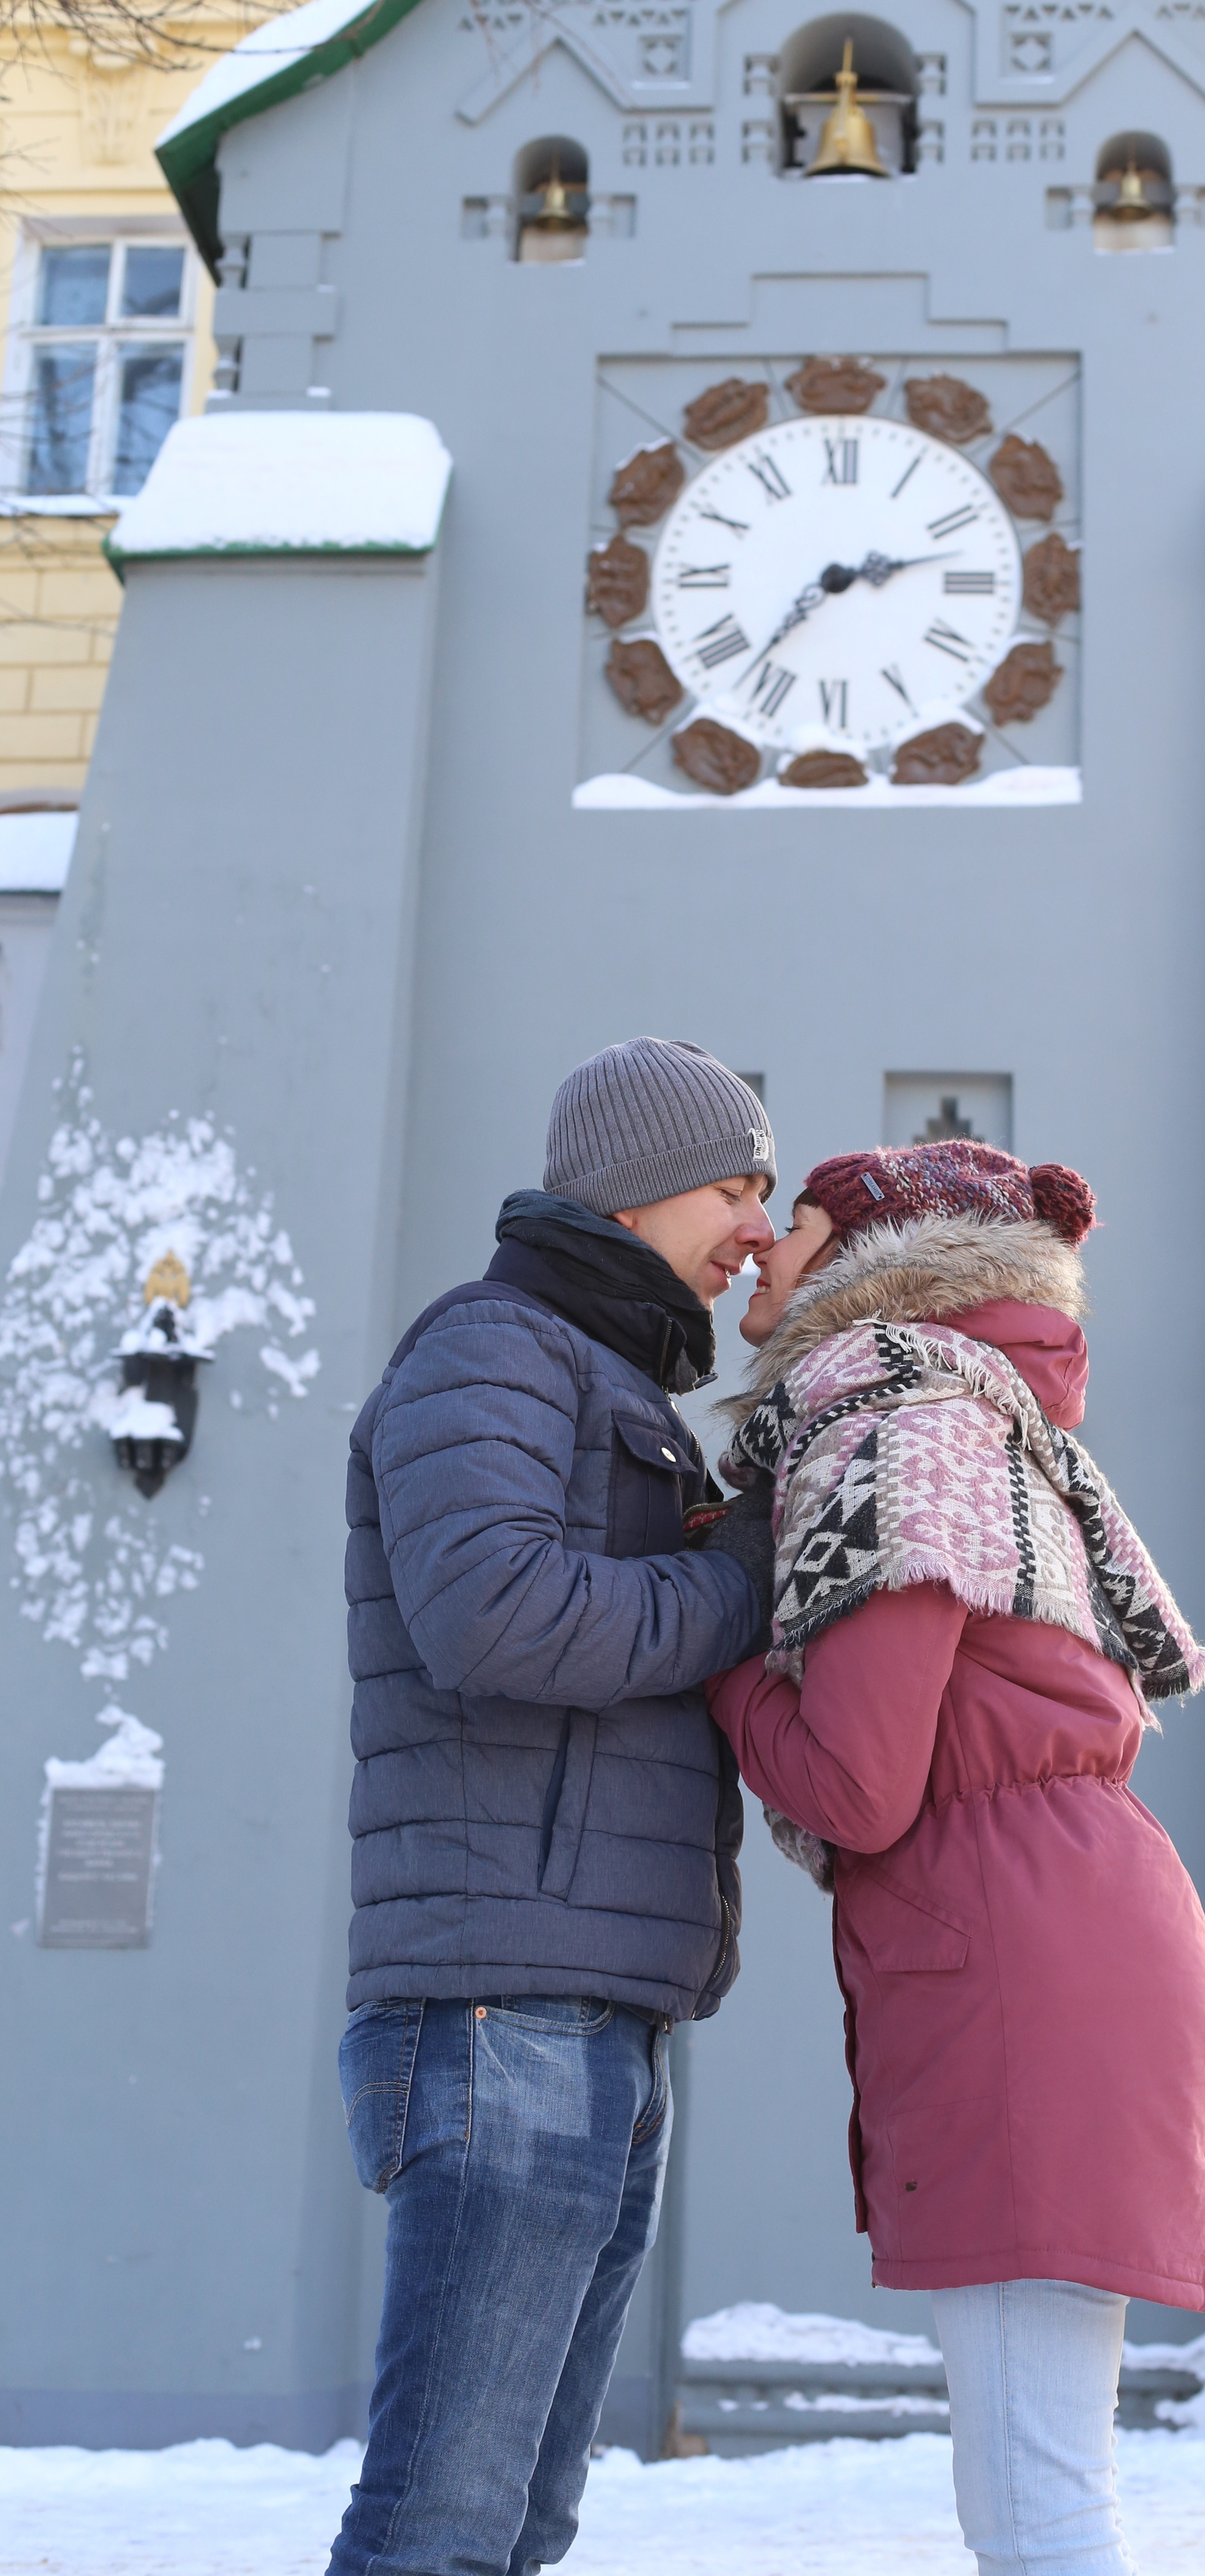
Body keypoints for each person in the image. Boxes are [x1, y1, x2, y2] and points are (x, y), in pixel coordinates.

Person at [707, 1139, 1205, 2576]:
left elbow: (855, 1786)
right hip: (1057, 1921)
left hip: (1023, 1960)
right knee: (1045, 2483)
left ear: (869, 1260)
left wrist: (713, 1651)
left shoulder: (901, 1429)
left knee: (1035, 2501)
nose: (760, 1244)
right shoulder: (963, 1417)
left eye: (796, 1222)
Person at [328, 1037, 777, 2576]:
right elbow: (496, 1620)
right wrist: (733, 1585)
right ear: (640, 1188)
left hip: (585, 2007)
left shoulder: (597, 1378)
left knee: (516, 2524)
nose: (760, 1229)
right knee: (443, 2524)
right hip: (499, 2006)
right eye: (737, 1183)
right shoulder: (492, 1349)